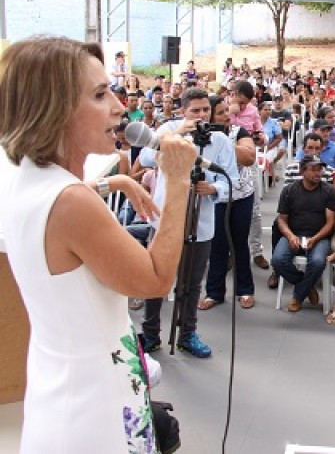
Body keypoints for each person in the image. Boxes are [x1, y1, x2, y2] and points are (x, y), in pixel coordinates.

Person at [0, 36, 198, 452]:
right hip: (96, 410)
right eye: (98, 94)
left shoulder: (31, 182)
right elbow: (156, 280)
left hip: (61, 387)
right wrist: (177, 179)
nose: (119, 107)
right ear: (53, 109)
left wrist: (118, 181)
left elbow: (69, 202)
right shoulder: (72, 203)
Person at [137, 87, 239, 358]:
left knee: (192, 284)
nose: (202, 115)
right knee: (155, 277)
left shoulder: (219, 140)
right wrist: (179, 131)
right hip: (165, 220)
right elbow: (146, 157)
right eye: (195, 110)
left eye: (206, 109)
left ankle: (187, 333)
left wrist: (214, 189)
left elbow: (232, 180)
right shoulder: (169, 130)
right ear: (183, 111)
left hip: (200, 221)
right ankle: (150, 334)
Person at [199, 95, 257, 310]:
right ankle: (214, 292)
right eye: (221, 112)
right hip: (215, 196)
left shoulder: (237, 132)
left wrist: (221, 144)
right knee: (217, 245)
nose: (227, 116)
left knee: (239, 243)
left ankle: (245, 290)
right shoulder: (200, 136)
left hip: (241, 195)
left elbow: (249, 157)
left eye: (227, 111)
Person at [272, 154, 335, 312]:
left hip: (319, 236)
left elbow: (330, 223)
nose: (318, 173)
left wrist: (315, 239)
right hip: (294, 234)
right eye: (313, 170)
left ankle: (298, 296)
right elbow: (282, 220)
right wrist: (290, 236)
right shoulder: (289, 191)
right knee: (277, 260)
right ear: (303, 171)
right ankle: (307, 287)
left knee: (317, 262)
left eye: (320, 170)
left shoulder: (329, 191)